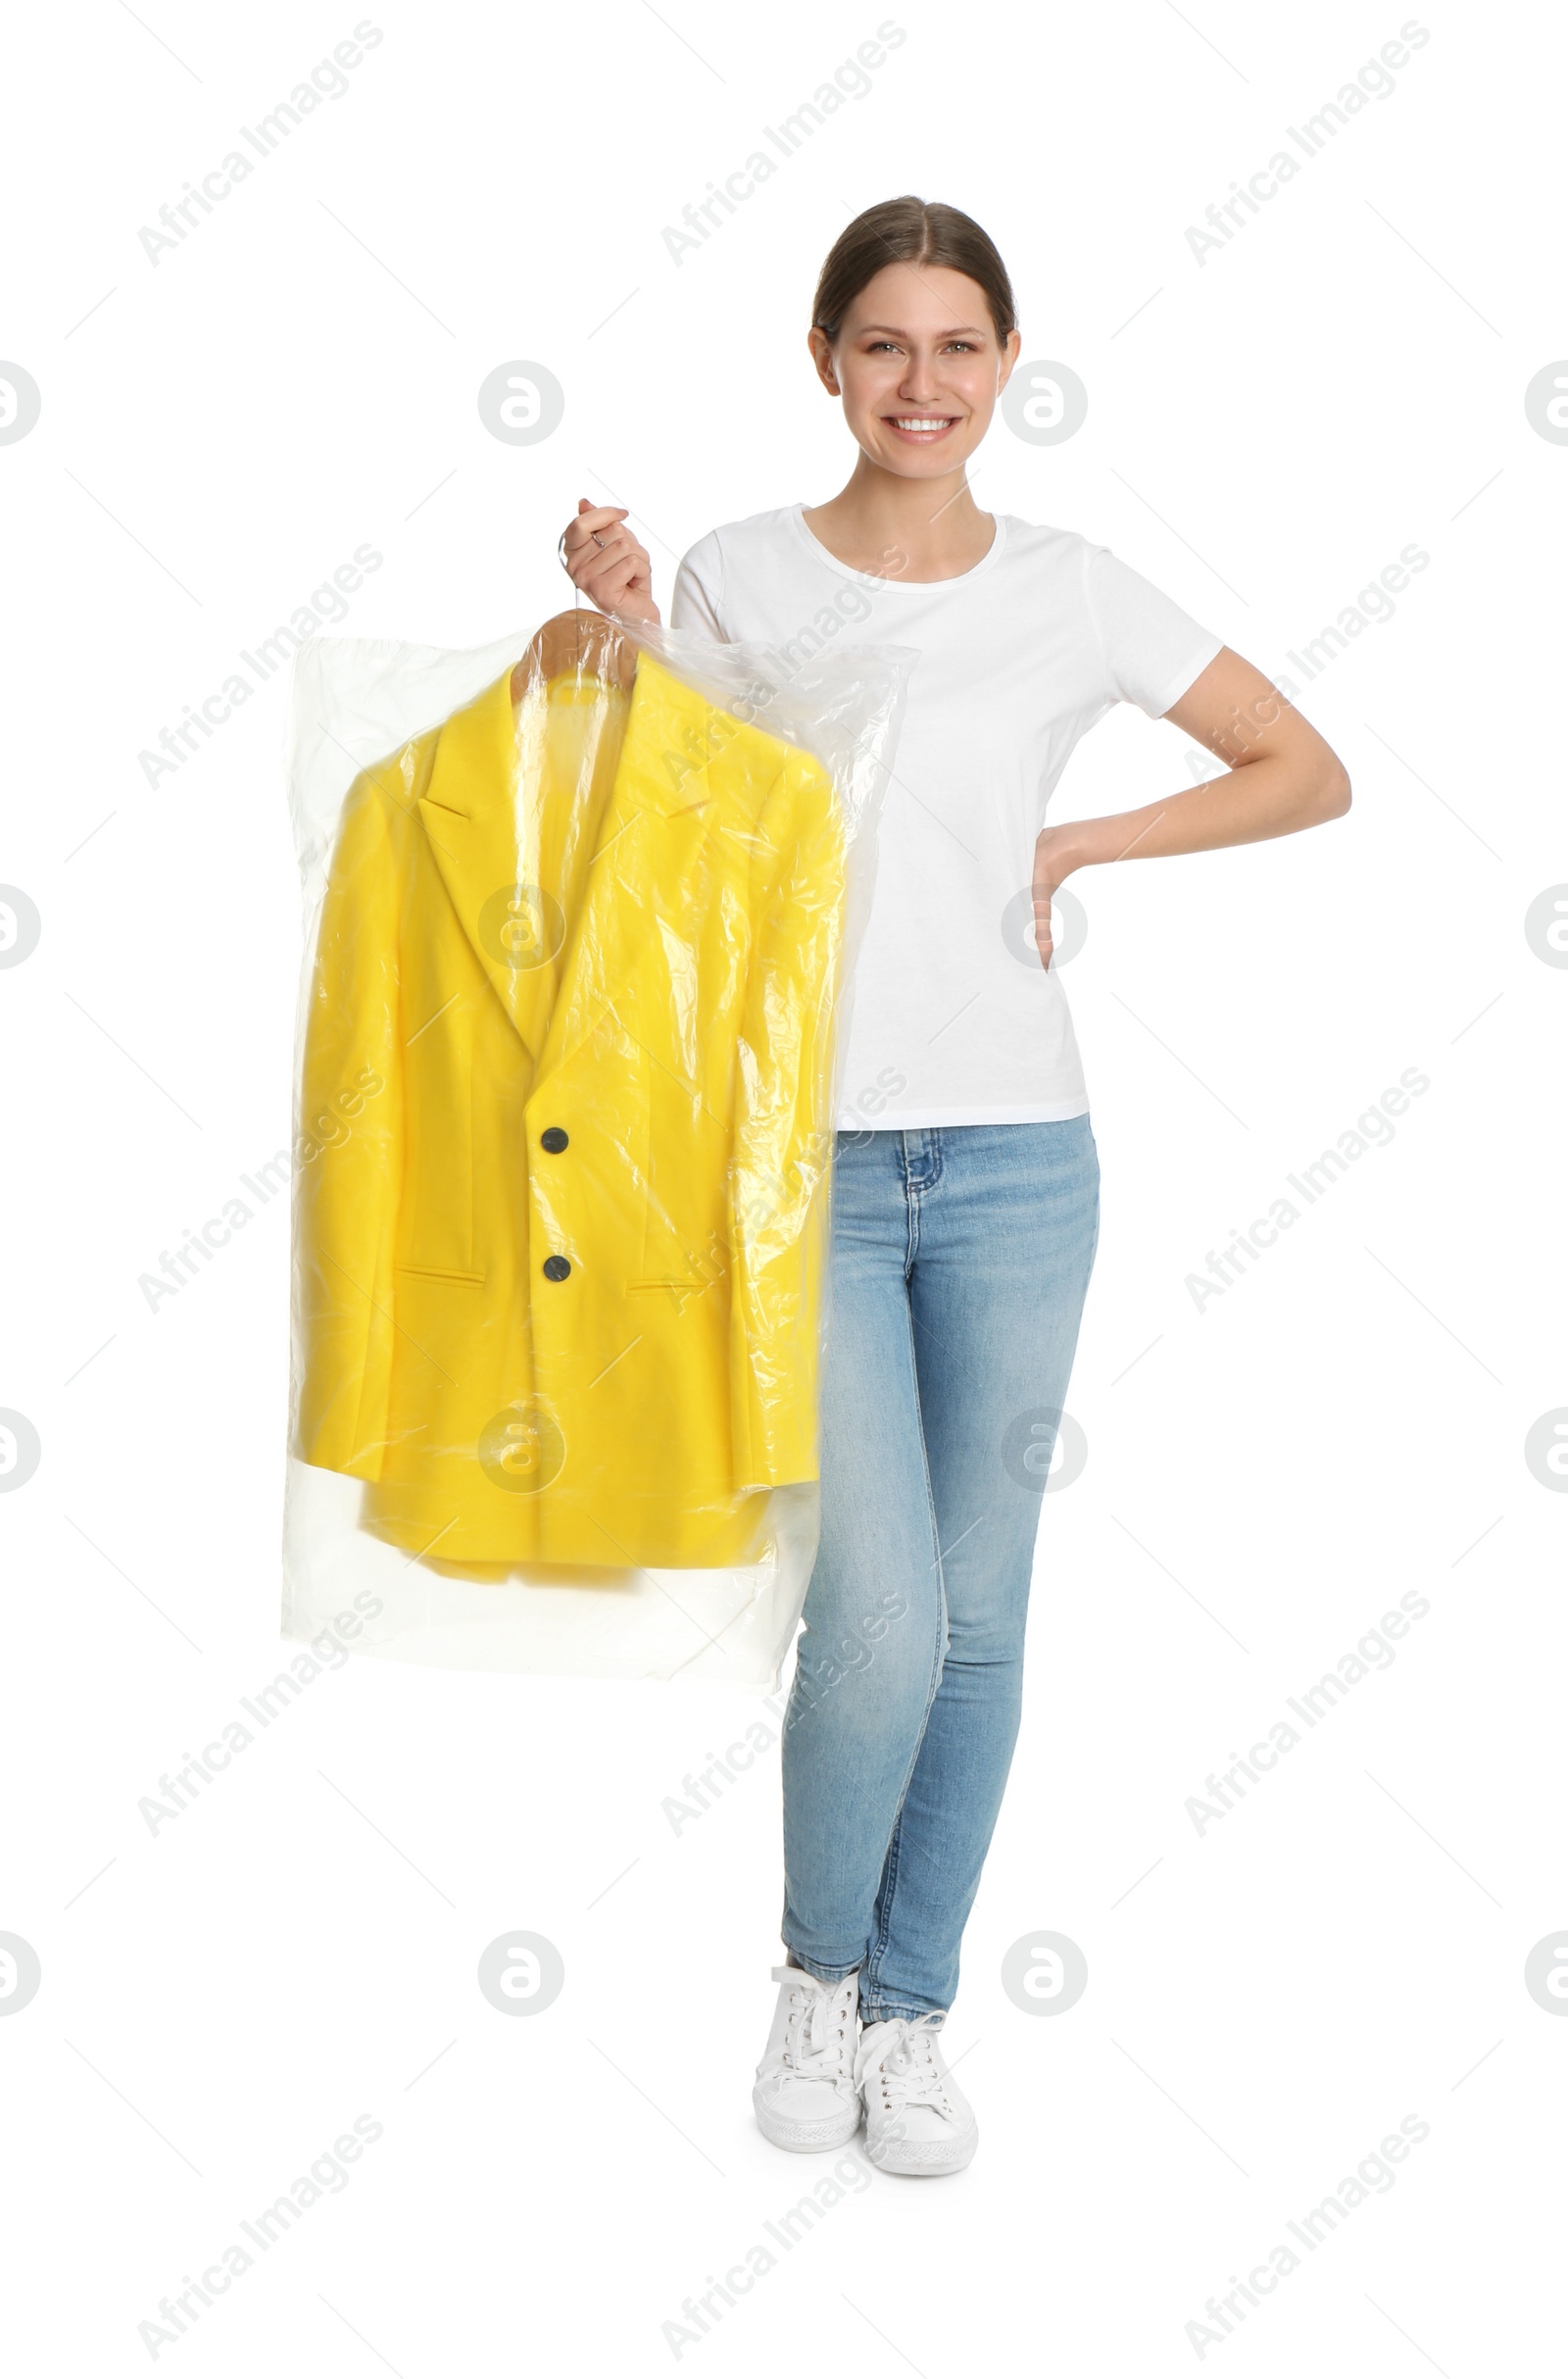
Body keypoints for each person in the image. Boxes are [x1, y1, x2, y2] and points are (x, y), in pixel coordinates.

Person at [559, 194, 1349, 2178]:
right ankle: (812, 1972)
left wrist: (1080, 840)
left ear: (1005, 366)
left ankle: (909, 2012)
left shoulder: (1069, 589)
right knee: (882, 1609)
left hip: (1017, 1156)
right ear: (823, 358)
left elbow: (1298, 764)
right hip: (800, 1152)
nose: (923, 383)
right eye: (884, 344)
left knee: (982, 1619)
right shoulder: (745, 570)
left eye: (959, 346)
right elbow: (678, 819)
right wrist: (629, 622)